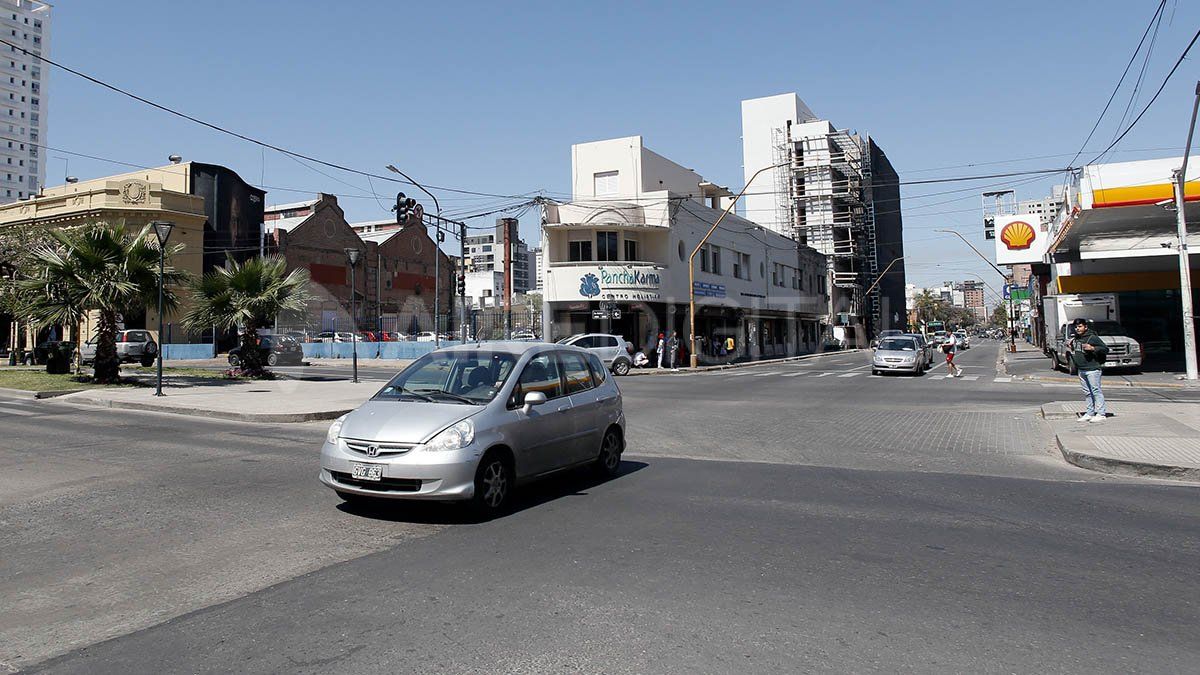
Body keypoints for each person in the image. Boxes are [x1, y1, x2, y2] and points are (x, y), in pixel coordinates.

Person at [1067, 317, 1108, 422]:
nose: (1077, 329)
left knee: (1095, 391)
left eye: (1080, 326)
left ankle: (1101, 413)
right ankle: (1090, 412)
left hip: (1092, 369)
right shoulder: (1076, 338)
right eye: (1076, 327)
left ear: (1085, 327)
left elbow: (1105, 349)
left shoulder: (1092, 337)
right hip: (1081, 369)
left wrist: (1093, 348)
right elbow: (1076, 351)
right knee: (1087, 392)